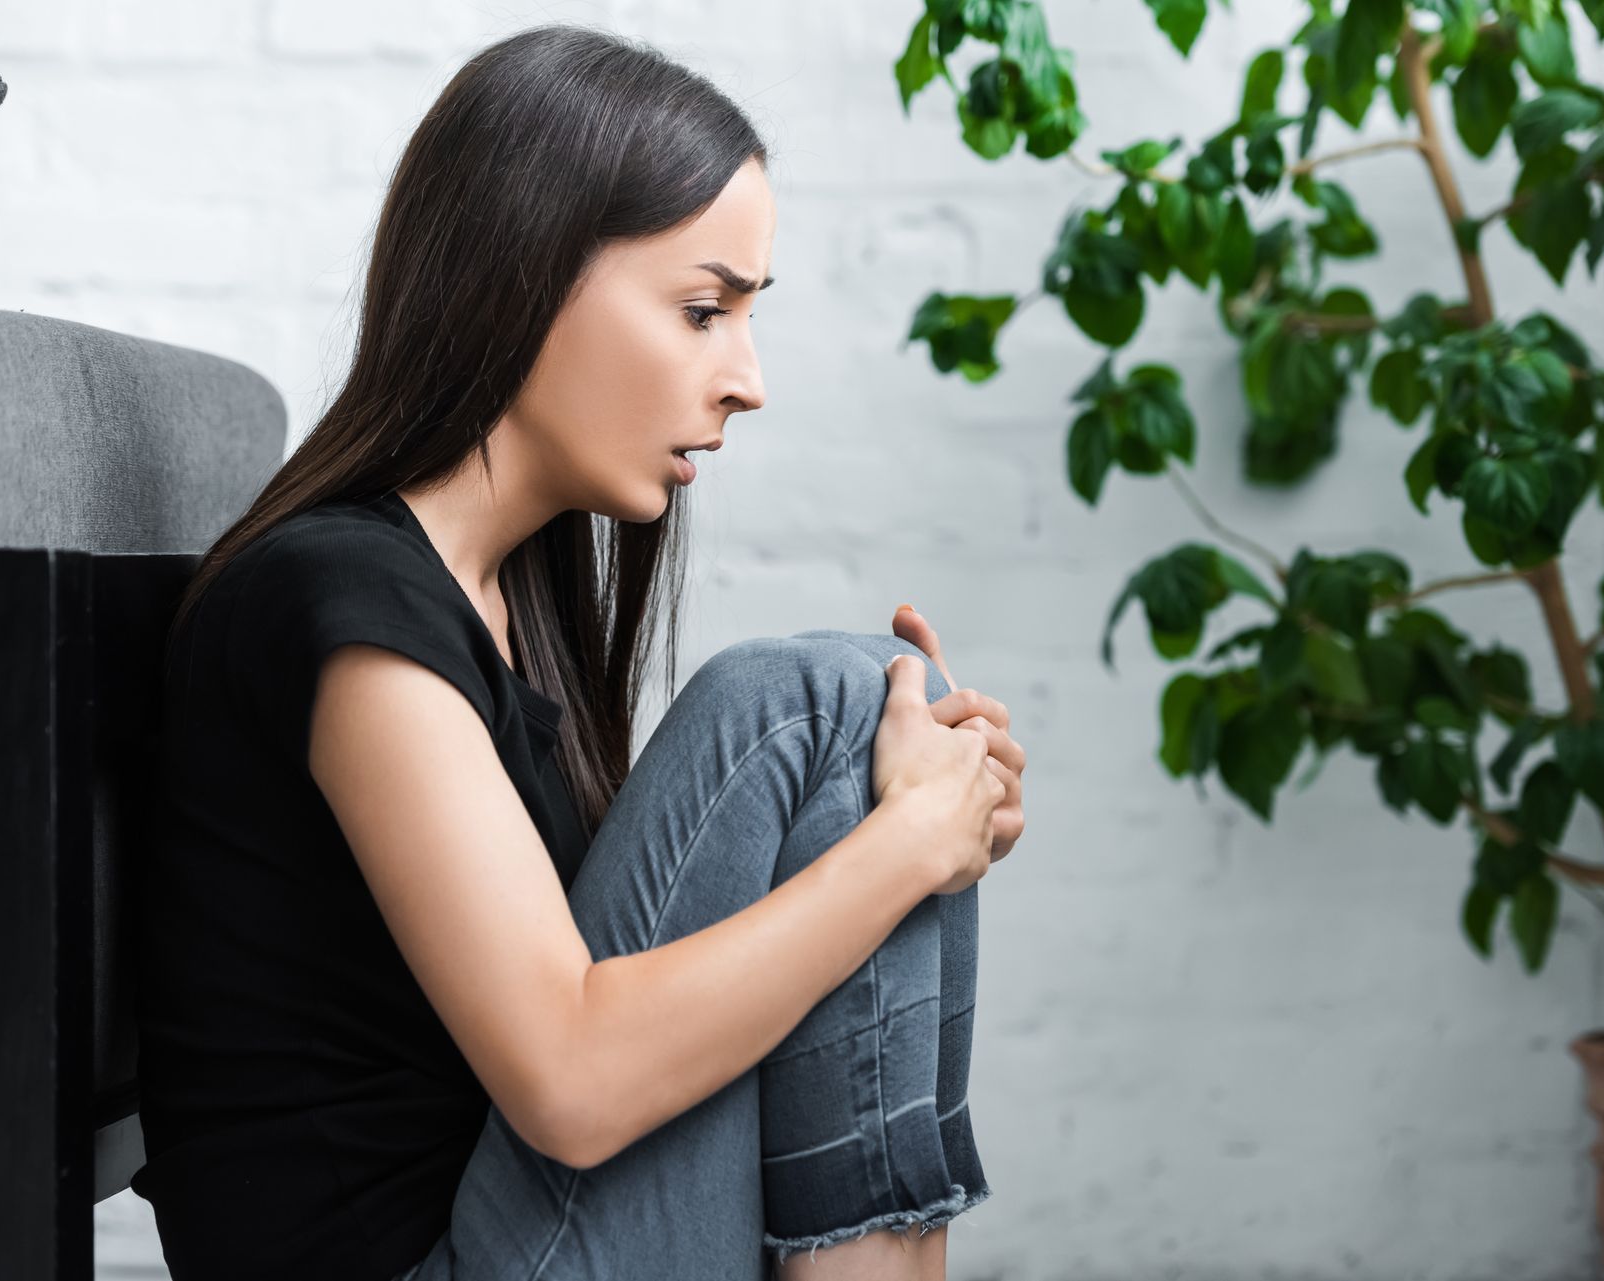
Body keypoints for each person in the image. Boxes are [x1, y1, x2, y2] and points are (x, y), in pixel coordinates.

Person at [129, 21, 1028, 1281]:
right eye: (703, 310)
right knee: (809, 705)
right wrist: (899, 854)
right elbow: (571, 1080)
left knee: (877, 725)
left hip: (515, 1236)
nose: (748, 379)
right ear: (525, 274)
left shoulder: (500, 602)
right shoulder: (337, 600)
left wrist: (919, 818)